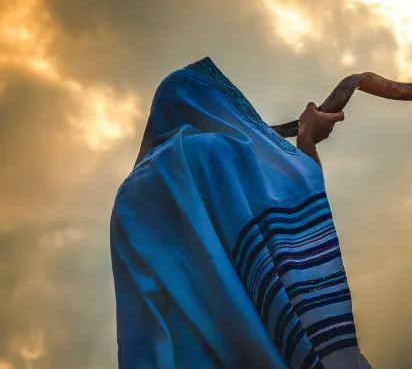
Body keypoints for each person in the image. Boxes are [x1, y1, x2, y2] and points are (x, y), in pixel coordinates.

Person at [109, 56, 371, 368]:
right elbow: (294, 192)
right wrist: (307, 141)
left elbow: (137, 310)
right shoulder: (213, 153)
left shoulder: (128, 196)